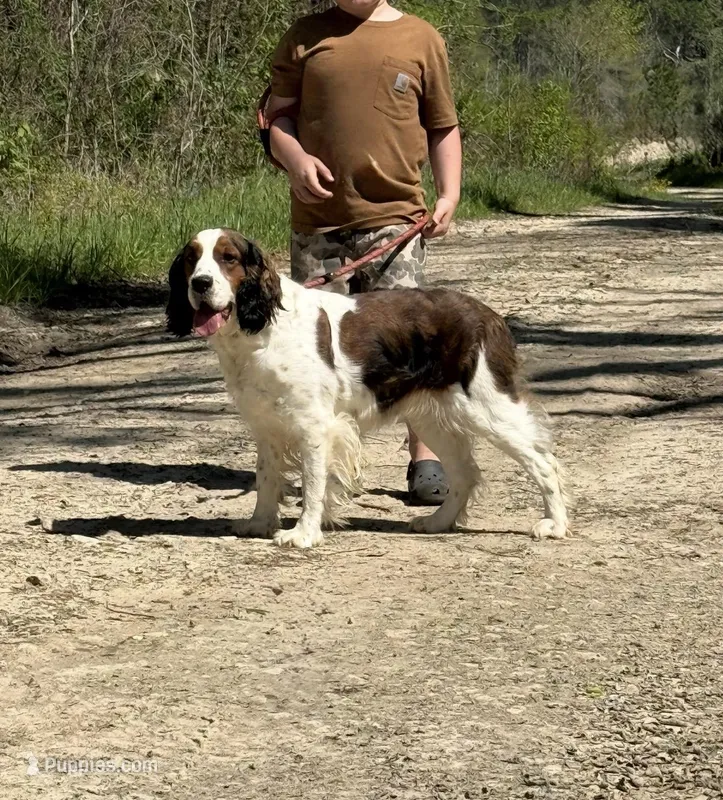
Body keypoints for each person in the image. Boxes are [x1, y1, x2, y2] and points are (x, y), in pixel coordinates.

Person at [267, 0, 462, 505]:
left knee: (409, 347)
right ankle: (322, 465)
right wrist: (294, 159)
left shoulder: (421, 38)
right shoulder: (306, 35)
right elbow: (276, 120)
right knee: (314, 355)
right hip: (319, 226)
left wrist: (449, 194)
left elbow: (443, 125)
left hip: (395, 221)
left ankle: (426, 457)